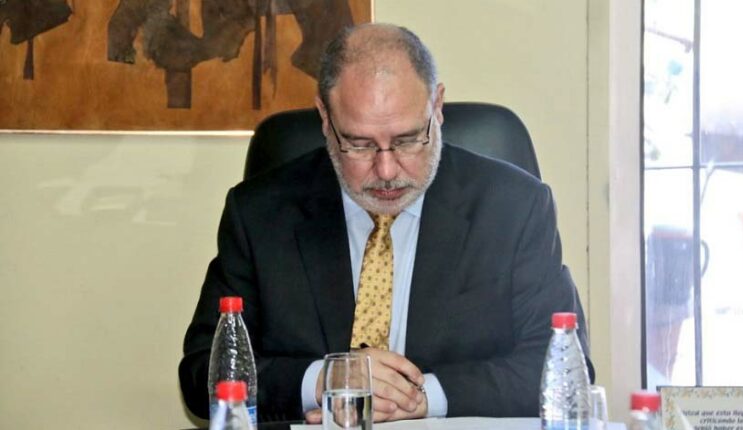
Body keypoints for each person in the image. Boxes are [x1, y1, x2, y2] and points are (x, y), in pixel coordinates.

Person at [179, 22, 593, 423]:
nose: (387, 169)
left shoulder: (513, 207)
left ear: (437, 107)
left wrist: (421, 397)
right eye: (359, 144)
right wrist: (324, 382)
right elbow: (203, 375)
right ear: (325, 118)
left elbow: (560, 368)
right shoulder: (260, 214)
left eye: (408, 139)